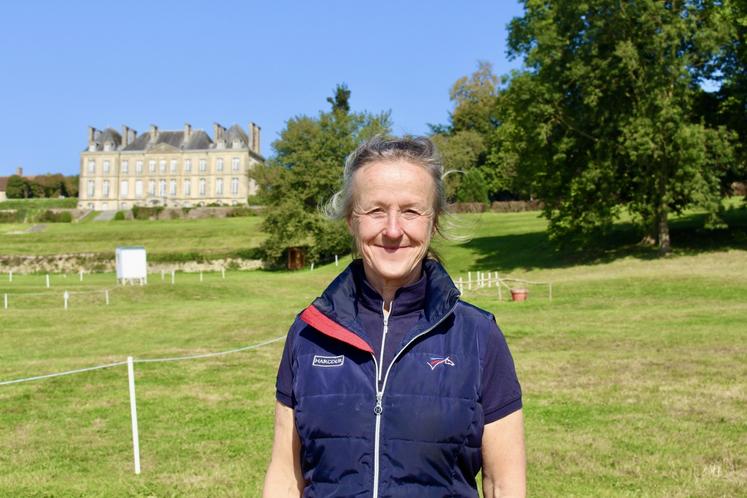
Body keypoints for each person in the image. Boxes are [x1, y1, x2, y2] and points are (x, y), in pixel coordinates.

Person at [263, 136, 525, 498]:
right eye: (375, 211)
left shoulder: (479, 336)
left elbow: (503, 484)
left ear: (433, 224)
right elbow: (285, 476)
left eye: (411, 211)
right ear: (350, 222)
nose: (392, 229)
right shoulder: (308, 333)